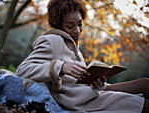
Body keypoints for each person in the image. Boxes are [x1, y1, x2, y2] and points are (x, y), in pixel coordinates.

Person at [16, 0, 149, 112]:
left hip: (91, 93)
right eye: (70, 26)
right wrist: (61, 67)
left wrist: (96, 82)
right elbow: (22, 70)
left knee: (145, 84)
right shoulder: (52, 41)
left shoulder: (72, 45)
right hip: (78, 103)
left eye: (80, 24)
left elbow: (76, 83)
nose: (77, 30)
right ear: (58, 25)